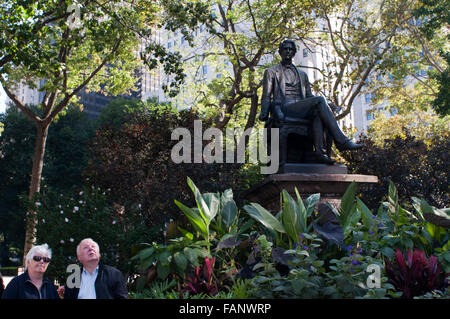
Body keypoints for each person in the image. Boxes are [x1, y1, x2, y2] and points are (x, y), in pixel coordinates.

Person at [260, 39, 363, 164]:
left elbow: (309, 96)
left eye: (290, 49)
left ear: (294, 53)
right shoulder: (271, 72)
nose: (288, 51)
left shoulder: (302, 74)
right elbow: (266, 96)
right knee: (320, 101)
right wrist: (264, 113)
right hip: (285, 108)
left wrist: (329, 105)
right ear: (280, 51)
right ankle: (342, 142)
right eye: (285, 49)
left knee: (319, 113)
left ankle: (320, 153)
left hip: (301, 108)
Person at [63, 238, 128, 299]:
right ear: (79, 257)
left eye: (93, 246)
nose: (90, 249)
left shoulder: (114, 274)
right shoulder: (73, 279)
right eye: (85, 247)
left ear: (99, 254)